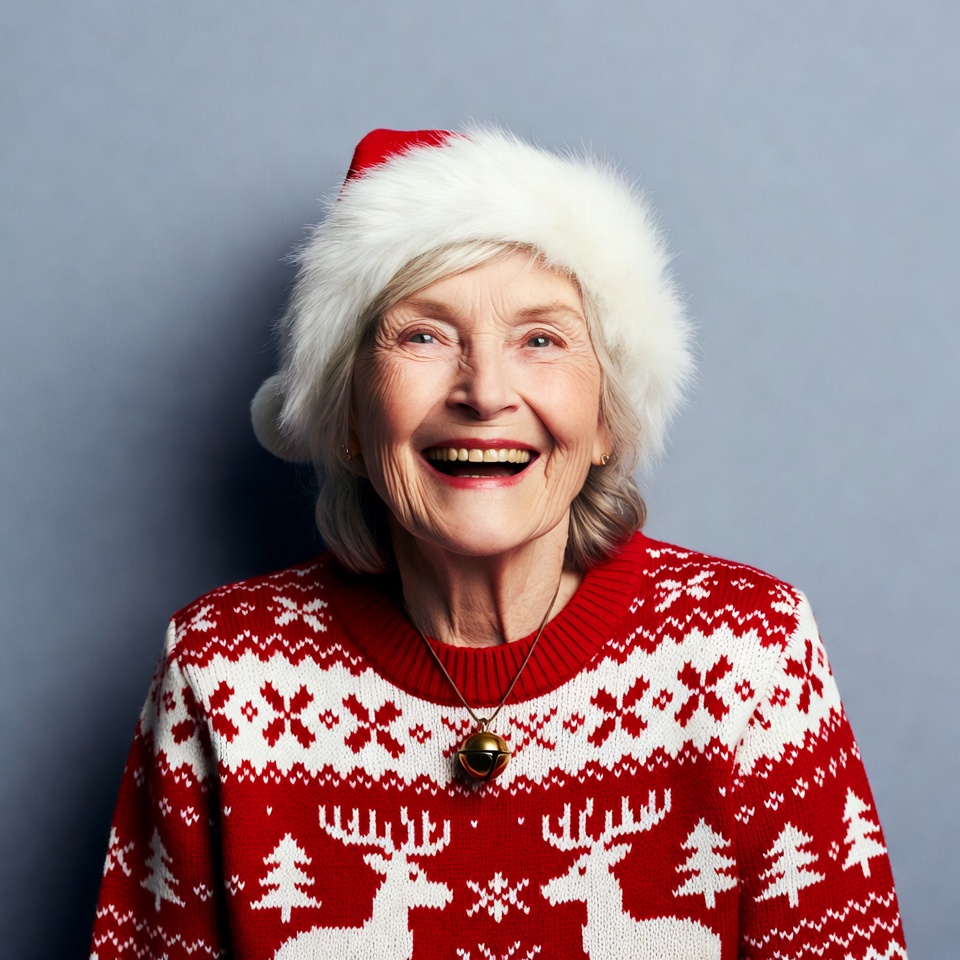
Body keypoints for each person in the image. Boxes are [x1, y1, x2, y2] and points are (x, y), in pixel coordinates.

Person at [89, 127, 908, 960]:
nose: (484, 394)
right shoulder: (222, 670)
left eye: (541, 339)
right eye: (423, 336)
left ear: (606, 420)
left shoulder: (751, 654)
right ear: (347, 418)